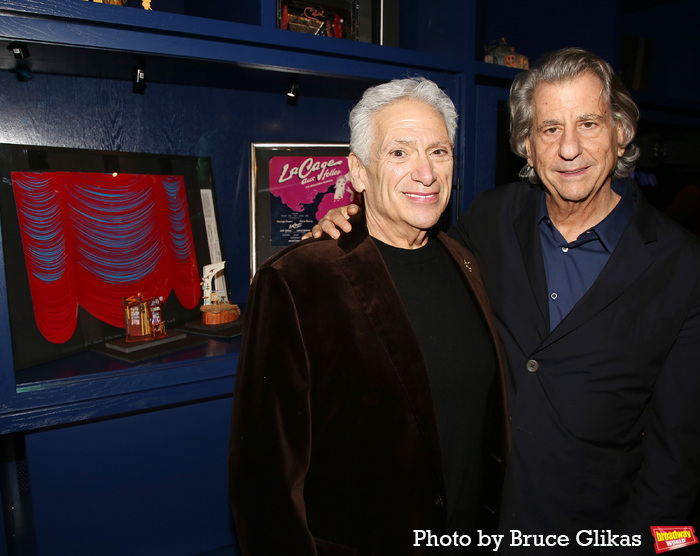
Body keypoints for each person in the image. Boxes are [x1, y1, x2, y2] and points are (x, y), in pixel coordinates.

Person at [311, 48, 700, 554]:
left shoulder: (682, 266)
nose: (569, 149)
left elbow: (680, 455)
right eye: (549, 129)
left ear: (622, 131)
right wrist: (349, 226)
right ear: (526, 144)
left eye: (588, 123)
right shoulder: (491, 218)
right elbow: (414, 256)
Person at [228, 77, 509, 556]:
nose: (426, 173)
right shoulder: (297, 281)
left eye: (439, 152)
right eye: (399, 153)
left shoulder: (465, 261)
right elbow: (265, 484)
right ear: (357, 171)